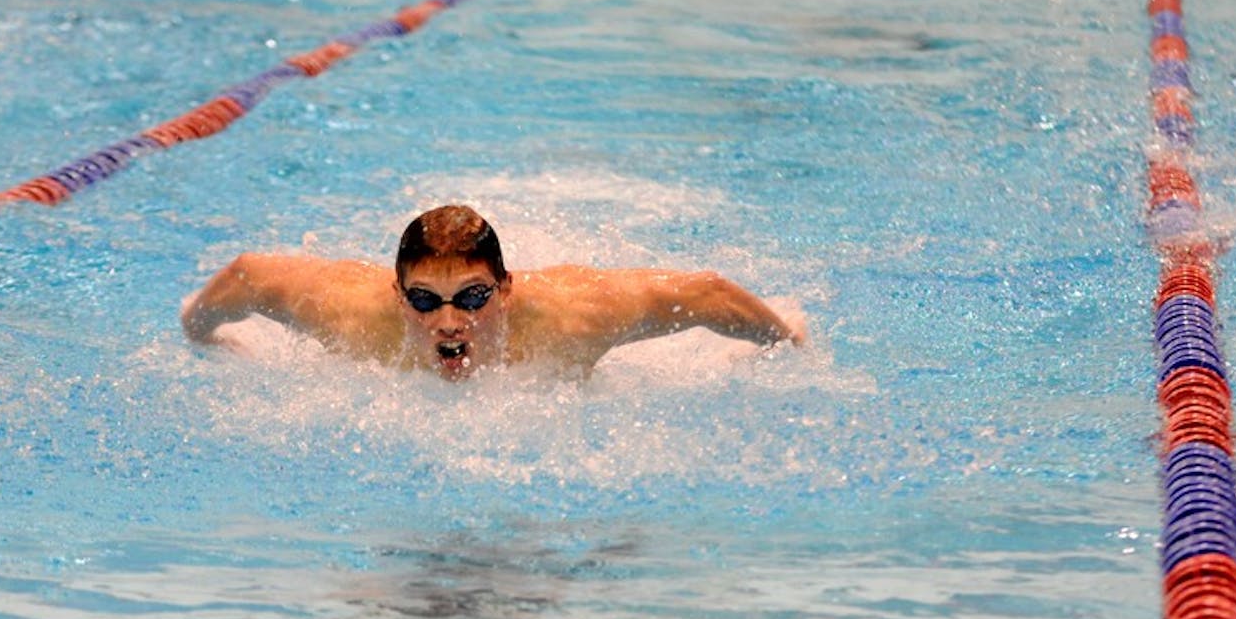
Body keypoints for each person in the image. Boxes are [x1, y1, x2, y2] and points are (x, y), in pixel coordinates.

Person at [180, 204, 805, 380]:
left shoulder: (574, 318)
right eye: (425, 300)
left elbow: (706, 294)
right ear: (398, 296)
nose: (450, 320)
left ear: (505, 290)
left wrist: (785, 339)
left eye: (473, 297)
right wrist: (201, 334)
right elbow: (247, 275)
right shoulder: (352, 316)